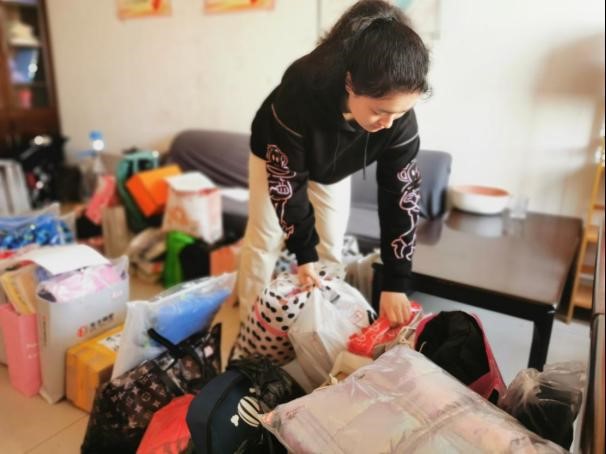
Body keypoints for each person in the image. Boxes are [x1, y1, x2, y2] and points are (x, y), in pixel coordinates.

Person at [237, 0, 430, 326]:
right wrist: (303, 254)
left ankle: (317, 326)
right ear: (350, 82)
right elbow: (289, 181)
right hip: (278, 151)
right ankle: (250, 327)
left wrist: (396, 281)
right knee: (265, 240)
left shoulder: (398, 122)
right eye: (380, 111)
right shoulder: (302, 86)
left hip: (335, 165)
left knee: (330, 247)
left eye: (400, 113)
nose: (389, 123)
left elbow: (401, 198)